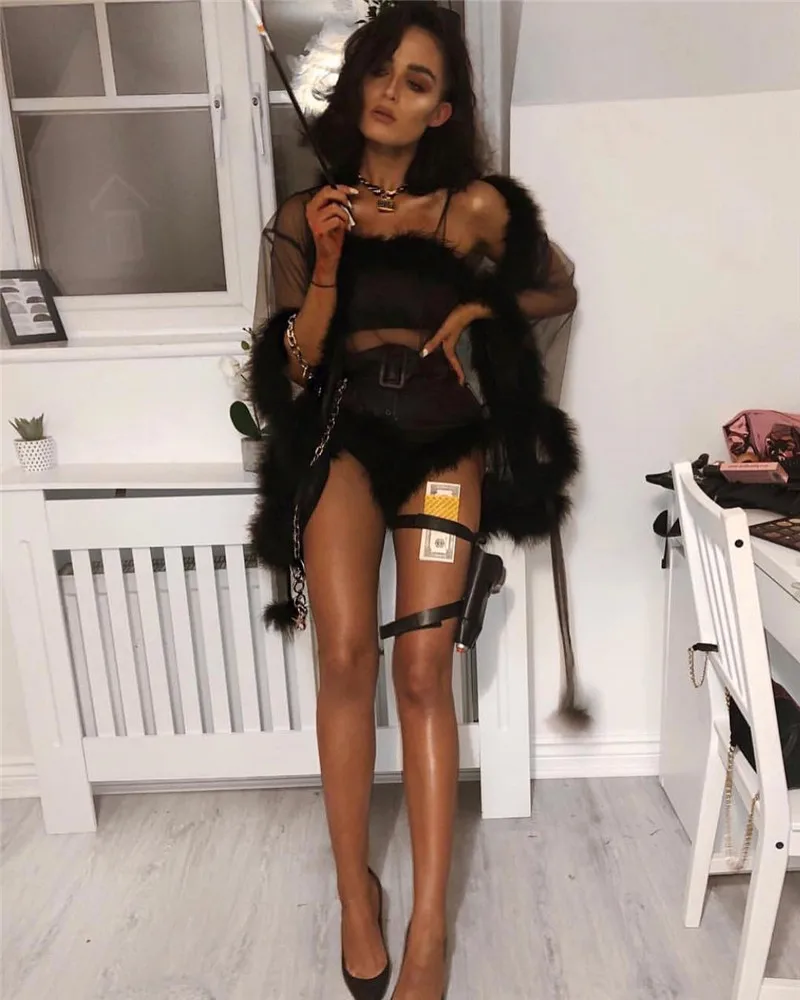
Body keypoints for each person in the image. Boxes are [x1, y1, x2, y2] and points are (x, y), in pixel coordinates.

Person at [249, 4, 580, 998]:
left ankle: (429, 927)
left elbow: (556, 288)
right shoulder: (304, 214)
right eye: (381, 71)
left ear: (442, 111)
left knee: (426, 671)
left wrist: (482, 306)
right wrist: (328, 264)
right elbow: (294, 366)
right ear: (357, 81)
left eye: (418, 81)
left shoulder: (472, 208)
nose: (391, 92)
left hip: (443, 437)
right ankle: (356, 895)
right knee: (345, 656)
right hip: (347, 435)